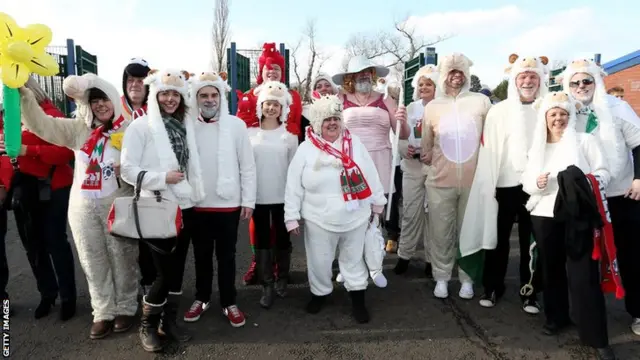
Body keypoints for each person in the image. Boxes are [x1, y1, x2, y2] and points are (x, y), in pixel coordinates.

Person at [18, 73, 138, 339]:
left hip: (117, 204)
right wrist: (26, 96)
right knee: (92, 259)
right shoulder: (78, 129)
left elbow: (146, 163)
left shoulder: (130, 129)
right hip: (83, 208)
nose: (100, 105)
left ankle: (127, 306)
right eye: (94, 101)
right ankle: (103, 311)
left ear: (114, 101)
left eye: (104, 99)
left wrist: (128, 169)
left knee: (122, 257)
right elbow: (42, 125)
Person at [521, 91, 615, 360]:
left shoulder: (585, 141)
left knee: (584, 274)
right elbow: (526, 182)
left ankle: (596, 336)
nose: (558, 119)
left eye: (563, 114)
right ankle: (556, 317)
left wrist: (580, 183)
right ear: (545, 118)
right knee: (551, 270)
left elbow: (603, 173)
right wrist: (536, 183)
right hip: (544, 214)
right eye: (553, 114)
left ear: (570, 116)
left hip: (577, 214)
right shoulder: (537, 146)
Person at [120, 69, 205, 352]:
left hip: (185, 205)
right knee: (161, 273)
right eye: (164, 94)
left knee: (178, 269)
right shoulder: (140, 127)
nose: (170, 99)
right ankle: (147, 325)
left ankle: (168, 322)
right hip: (156, 205)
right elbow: (128, 170)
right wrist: (162, 177)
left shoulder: (186, 125)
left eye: (175, 94)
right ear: (154, 95)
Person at [284, 93, 386, 323]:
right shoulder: (306, 148)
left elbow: (370, 172)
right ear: (318, 123)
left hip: (355, 215)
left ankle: (358, 297)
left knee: (353, 259)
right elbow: (293, 185)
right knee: (319, 260)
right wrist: (291, 217)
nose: (332, 123)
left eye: (336, 118)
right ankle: (319, 294)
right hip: (318, 218)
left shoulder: (354, 143)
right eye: (327, 119)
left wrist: (378, 202)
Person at [459, 54, 549, 313]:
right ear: (515, 79)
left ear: (540, 79)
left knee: (532, 242)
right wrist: (488, 186)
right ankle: (492, 286)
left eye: (533, 76)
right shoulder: (499, 111)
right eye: (523, 76)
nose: (528, 80)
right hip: (503, 185)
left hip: (537, 187)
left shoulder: (546, 107)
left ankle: (529, 291)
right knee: (497, 240)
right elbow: (489, 150)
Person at [562, 58, 640, 337]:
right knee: (582, 258)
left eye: (586, 81)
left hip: (620, 194)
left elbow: (639, 142)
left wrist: (639, 179)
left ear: (597, 81)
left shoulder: (618, 108)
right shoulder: (564, 110)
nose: (581, 86)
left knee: (630, 254)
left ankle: (638, 311)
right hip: (582, 198)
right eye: (575, 82)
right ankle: (583, 313)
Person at [0, 77, 76, 321]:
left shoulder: (50, 114)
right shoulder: (9, 119)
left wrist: (28, 150)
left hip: (53, 187)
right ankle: (47, 293)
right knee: (32, 246)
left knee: (55, 242)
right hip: (24, 190)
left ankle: (68, 297)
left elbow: (65, 152)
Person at [183, 71, 255, 328]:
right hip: (198, 203)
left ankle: (229, 301)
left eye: (214, 94)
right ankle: (201, 298)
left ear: (221, 97)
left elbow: (247, 165)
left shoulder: (236, 125)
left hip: (228, 204)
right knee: (201, 255)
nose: (209, 99)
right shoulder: (187, 124)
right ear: (196, 98)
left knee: (227, 256)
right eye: (204, 95)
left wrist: (249, 200)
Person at [420, 53, 492, 299]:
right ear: (444, 75)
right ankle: (441, 277)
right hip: (441, 181)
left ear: (466, 75)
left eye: (460, 72)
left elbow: (490, 140)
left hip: (473, 182)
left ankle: (467, 279)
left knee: (469, 231)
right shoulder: (433, 107)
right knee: (440, 232)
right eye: (451, 72)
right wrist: (429, 165)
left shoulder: (480, 102)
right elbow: (426, 146)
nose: (456, 76)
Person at [238, 43, 303, 286]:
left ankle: (280, 268)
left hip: (281, 155)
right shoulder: (250, 95)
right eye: (268, 68)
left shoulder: (292, 95)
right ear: (261, 71)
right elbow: (242, 124)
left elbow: (295, 124)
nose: (272, 72)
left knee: (281, 225)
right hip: (258, 164)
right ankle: (260, 263)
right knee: (259, 227)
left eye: (276, 68)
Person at [332, 56, 409, 254]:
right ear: (350, 78)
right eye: (359, 74)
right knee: (354, 208)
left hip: (380, 158)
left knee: (378, 207)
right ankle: (352, 254)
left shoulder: (385, 99)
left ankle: (375, 253)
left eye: (368, 73)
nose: (364, 77)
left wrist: (403, 121)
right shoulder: (340, 100)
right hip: (351, 160)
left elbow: (403, 133)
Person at [247, 81, 299, 308]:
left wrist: (295, 198)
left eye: (276, 105)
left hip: (282, 195)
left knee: (281, 237)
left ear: (282, 108)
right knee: (261, 239)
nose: (271, 109)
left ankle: (282, 278)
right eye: (267, 104)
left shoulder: (289, 135)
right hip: (257, 196)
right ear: (261, 105)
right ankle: (266, 283)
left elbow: (295, 168)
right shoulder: (249, 133)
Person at [394, 65, 439, 276]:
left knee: (434, 216)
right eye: (421, 84)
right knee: (411, 212)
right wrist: (406, 149)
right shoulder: (411, 108)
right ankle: (405, 255)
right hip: (412, 166)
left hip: (436, 168)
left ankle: (432, 260)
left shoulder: (444, 108)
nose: (424, 87)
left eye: (429, 84)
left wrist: (434, 153)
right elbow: (400, 138)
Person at [120, 57, 155, 296]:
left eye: (140, 80)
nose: (135, 84)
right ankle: (124, 292)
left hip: (149, 187)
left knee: (147, 240)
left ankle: (149, 284)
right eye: (130, 80)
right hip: (119, 187)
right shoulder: (112, 108)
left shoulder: (157, 111)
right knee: (121, 242)